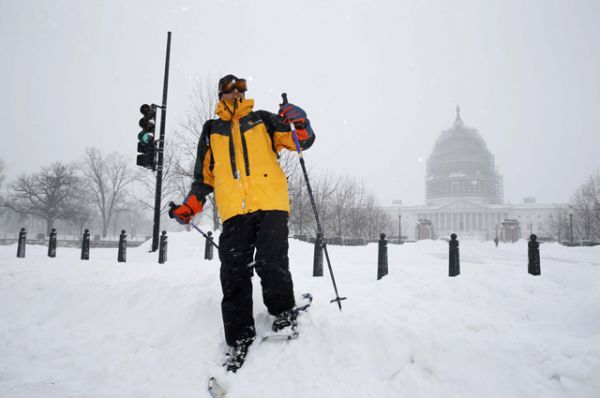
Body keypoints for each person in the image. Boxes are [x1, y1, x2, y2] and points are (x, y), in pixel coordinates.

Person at [169, 74, 315, 372]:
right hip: (234, 210)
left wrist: (300, 122)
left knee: (270, 261)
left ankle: (282, 311)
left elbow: (300, 142)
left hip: (271, 203)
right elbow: (204, 179)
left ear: (245, 92)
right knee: (233, 273)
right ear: (220, 95)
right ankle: (238, 335)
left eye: (239, 90)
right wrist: (190, 206)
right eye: (228, 91)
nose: (234, 94)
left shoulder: (263, 120)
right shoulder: (211, 130)